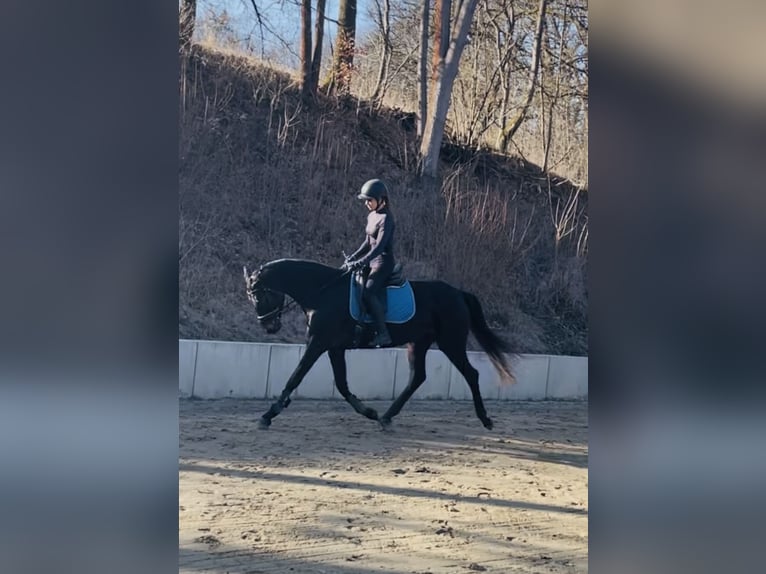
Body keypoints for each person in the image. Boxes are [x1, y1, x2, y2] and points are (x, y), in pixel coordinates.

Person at [343, 179, 395, 347]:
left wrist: (360, 262)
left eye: (369, 200)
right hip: (370, 261)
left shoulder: (387, 219)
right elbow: (367, 243)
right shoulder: (372, 215)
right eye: (365, 200)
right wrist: (353, 257)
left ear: (381, 199)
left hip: (382, 264)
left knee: (368, 293)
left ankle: (383, 334)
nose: (366, 203)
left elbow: (379, 247)